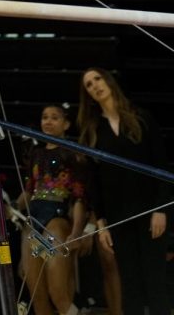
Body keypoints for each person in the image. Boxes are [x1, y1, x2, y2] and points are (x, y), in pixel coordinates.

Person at [78, 67, 169, 315]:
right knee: (130, 283)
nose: (95, 85)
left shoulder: (141, 117)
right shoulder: (92, 130)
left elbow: (161, 165)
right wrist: (102, 224)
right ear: (87, 94)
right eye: (88, 84)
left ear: (108, 81)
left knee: (156, 279)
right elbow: (93, 182)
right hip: (118, 216)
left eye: (97, 79)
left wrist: (161, 209)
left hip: (151, 211)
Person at [13, 104, 86, 315]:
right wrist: (9, 207)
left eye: (55, 117)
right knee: (37, 294)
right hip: (34, 221)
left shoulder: (74, 154)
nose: (48, 121)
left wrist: (76, 234)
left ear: (66, 124)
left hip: (57, 219)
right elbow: (28, 191)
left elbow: (79, 197)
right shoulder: (36, 154)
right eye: (45, 117)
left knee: (58, 292)